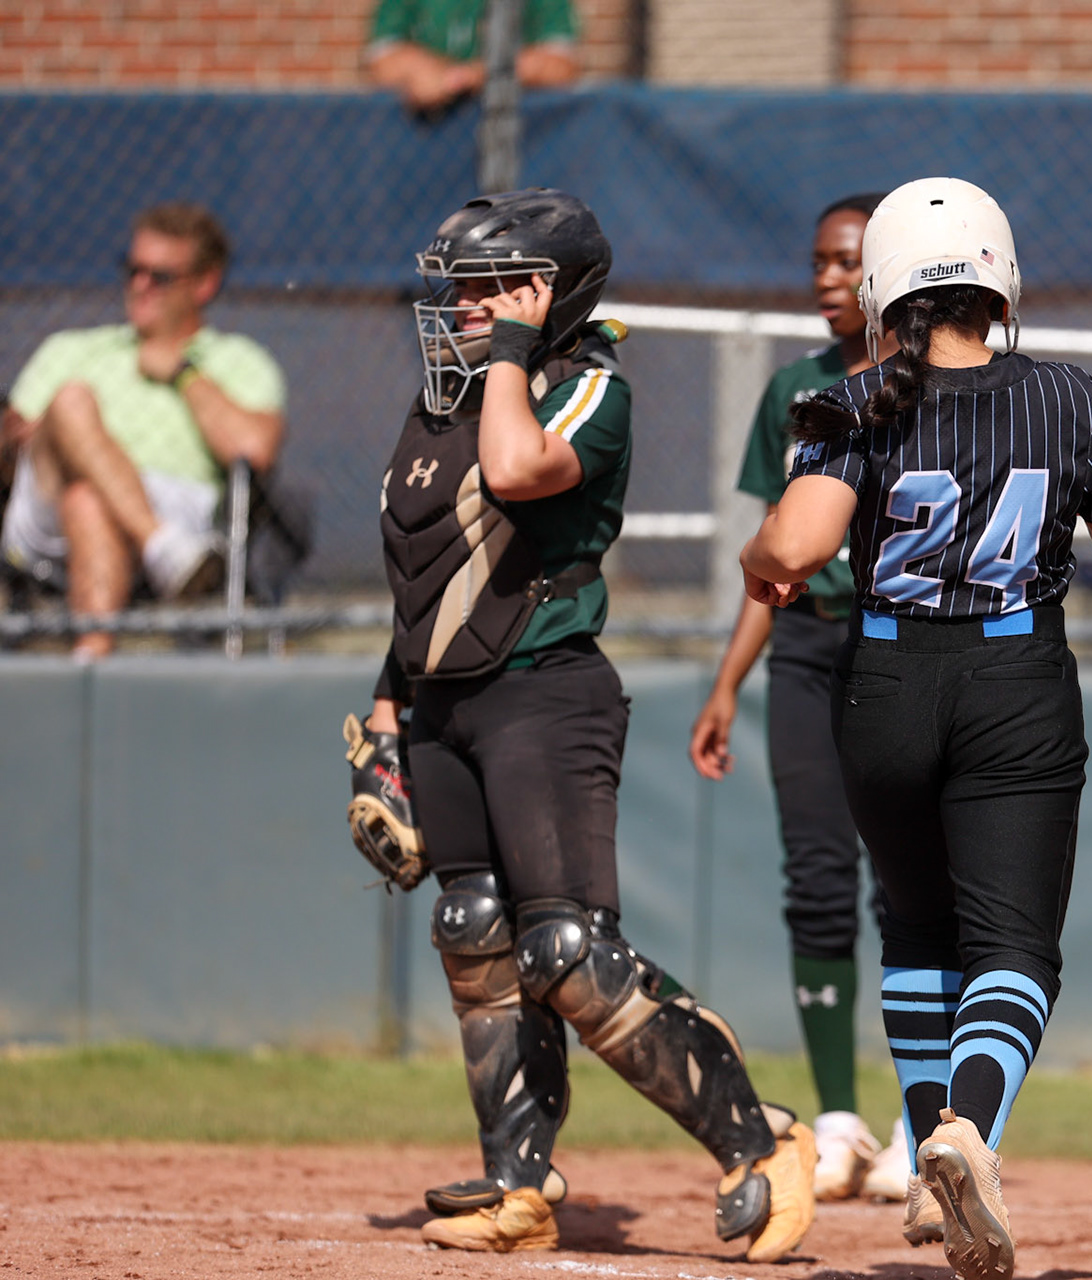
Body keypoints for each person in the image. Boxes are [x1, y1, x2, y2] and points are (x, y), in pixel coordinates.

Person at [346, 187, 815, 1257]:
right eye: (454, 287)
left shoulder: (587, 391)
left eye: (483, 289)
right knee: (475, 930)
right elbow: (425, 575)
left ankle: (760, 1139)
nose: (457, 307)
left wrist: (513, 342)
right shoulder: (441, 405)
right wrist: (384, 718)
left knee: (566, 947)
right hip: (444, 700)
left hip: (544, 689)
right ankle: (521, 1182)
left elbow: (516, 472)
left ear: (543, 293)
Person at [740, 177, 1092, 1280]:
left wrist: (757, 558)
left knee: (917, 927)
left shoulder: (847, 399)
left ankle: (933, 1160)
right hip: (1015, 673)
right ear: (1001, 284)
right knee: (1013, 944)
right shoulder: (1066, 394)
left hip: (882, 675)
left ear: (883, 290)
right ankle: (966, 1127)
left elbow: (794, 547)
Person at [688, 191, 913, 1203]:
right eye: (818, 261)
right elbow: (774, 561)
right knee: (817, 879)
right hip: (810, 651)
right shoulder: (796, 389)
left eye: (846, 263)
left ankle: (928, 1118)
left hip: (905, 650)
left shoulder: (933, 387)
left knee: (909, 886)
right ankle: (837, 1119)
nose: (826, 278)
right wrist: (728, 681)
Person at [0, 203, 284, 659]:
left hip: (175, 506)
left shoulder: (239, 361)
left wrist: (185, 374)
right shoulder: (72, 349)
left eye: (160, 276)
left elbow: (255, 447)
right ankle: (162, 547)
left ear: (205, 284)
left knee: (89, 498)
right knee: (72, 402)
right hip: (48, 518)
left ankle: (90, 671)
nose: (139, 285)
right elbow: (14, 445)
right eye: (132, 270)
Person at [366, 0, 579, 114]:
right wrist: (424, 72)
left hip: (521, 147)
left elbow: (560, 64)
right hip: (429, 141)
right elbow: (382, 57)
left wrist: (474, 76)